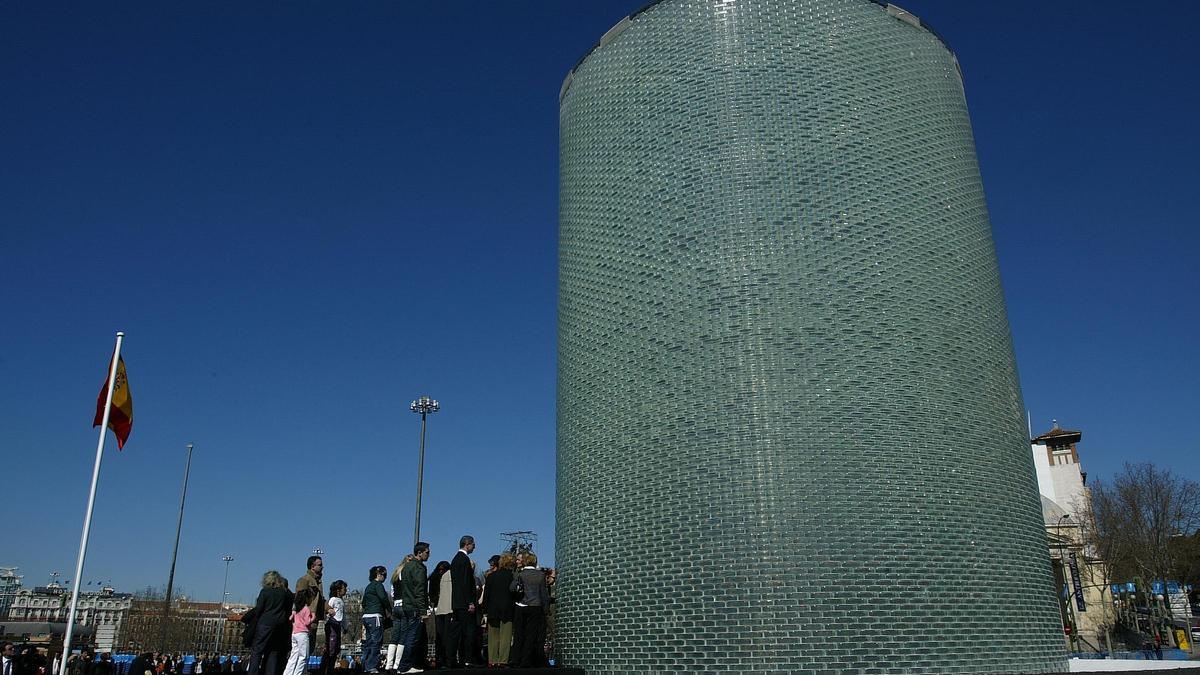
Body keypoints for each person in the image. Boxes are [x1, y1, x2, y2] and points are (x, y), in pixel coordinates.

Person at [393, 543, 431, 675]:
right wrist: (423, 610)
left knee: (409, 636)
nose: (428, 554)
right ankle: (404, 666)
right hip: (415, 606)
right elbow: (420, 590)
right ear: (419, 553)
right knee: (413, 637)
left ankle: (407, 665)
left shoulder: (406, 567)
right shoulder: (419, 568)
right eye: (426, 552)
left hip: (407, 605)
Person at [246, 570, 293, 675]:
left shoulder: (265, 591)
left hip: (265, 623)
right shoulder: (283, 593)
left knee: (257, 650)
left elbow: (259, 609)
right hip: (280, 625)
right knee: (273, 651)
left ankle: (252, 672)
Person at [509, 552, 550, 668]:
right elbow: (543, 594)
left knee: (519, 633)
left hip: (521, 605)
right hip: (535, 606)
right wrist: (546, 609)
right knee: (531, 635)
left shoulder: (520, 574)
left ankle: (515, 658)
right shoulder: (541, 575)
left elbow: (512, 588)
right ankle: (526, 660)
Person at [447, 535, 478, 668]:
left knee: (455, 632)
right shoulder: (465, 560)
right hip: (465, 602)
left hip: (457, 602)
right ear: (467, 544)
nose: (474, 546)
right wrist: (470, 601)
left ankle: (451, 659)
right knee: (468, 632)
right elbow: (466, 582)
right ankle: (466, 658)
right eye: (473, 544)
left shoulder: (455, 560)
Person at [481, 555, 516, 668]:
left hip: (493, 610)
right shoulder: (511, 576)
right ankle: (503, 660)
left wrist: (485, 610)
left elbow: (486, 595)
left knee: (493, 636)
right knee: (505, 636)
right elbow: (514, 593)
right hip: (507, 609)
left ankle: (492, 660)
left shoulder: (491, 577)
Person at [385, 555, 414, 671]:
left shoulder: (396, 574)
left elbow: (392, 593)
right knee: (404, 635)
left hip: (396, 606)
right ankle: (398, 663)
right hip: (405, 605)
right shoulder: (408, 573)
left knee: (394, 636)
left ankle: (389, 663)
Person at [360, 566, 390, 674]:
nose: (385, 577)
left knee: (368, 642)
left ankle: (365, 665)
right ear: (378, 574)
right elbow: (383, 598)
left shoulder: (368, 587)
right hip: (375, 616)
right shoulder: (378, 585)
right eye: (384, 575)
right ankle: (371, 666)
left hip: (366, 617)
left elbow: (363, 603)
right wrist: (389, 610)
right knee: (376, 642)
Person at [282, 587, 317, 675]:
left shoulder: (296, 609)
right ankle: (298, 673)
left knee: (293, 656)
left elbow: (291, 618)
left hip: (294, 633)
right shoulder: (306, 609)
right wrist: (313, 617)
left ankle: (287, 673)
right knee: (303, 657)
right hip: (302, 634)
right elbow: (307, 622)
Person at [295, 556, 326, 654]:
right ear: (312, 566)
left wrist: (328, 608)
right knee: (303, 649)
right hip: (305, 620)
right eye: (320, 565)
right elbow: (299, 600)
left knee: (310, 647)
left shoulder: (319, 582)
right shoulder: (304, 580)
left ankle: (305, 668)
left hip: (314, 619)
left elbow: (320, 600)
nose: (322, 567)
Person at [427, 561, 452, 669]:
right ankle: (443, 658)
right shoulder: (442, 578)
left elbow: (431, 593)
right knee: (443, 634)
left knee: (440, 634)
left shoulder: (434, 577)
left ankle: (440, 658)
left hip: (438, 607)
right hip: (443, 606)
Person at [321, 580, 347, 675]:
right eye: (344, 589)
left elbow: (343, 616)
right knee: (330, 647)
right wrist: (329, 613)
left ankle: (330, 668)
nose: (346, 590)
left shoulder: (342, 602)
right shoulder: (333, 600)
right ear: (338, 590)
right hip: (332, 624)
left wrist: (345, 626)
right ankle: (324, 669)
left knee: (336, 648)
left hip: (338, 626)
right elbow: (327, 609)